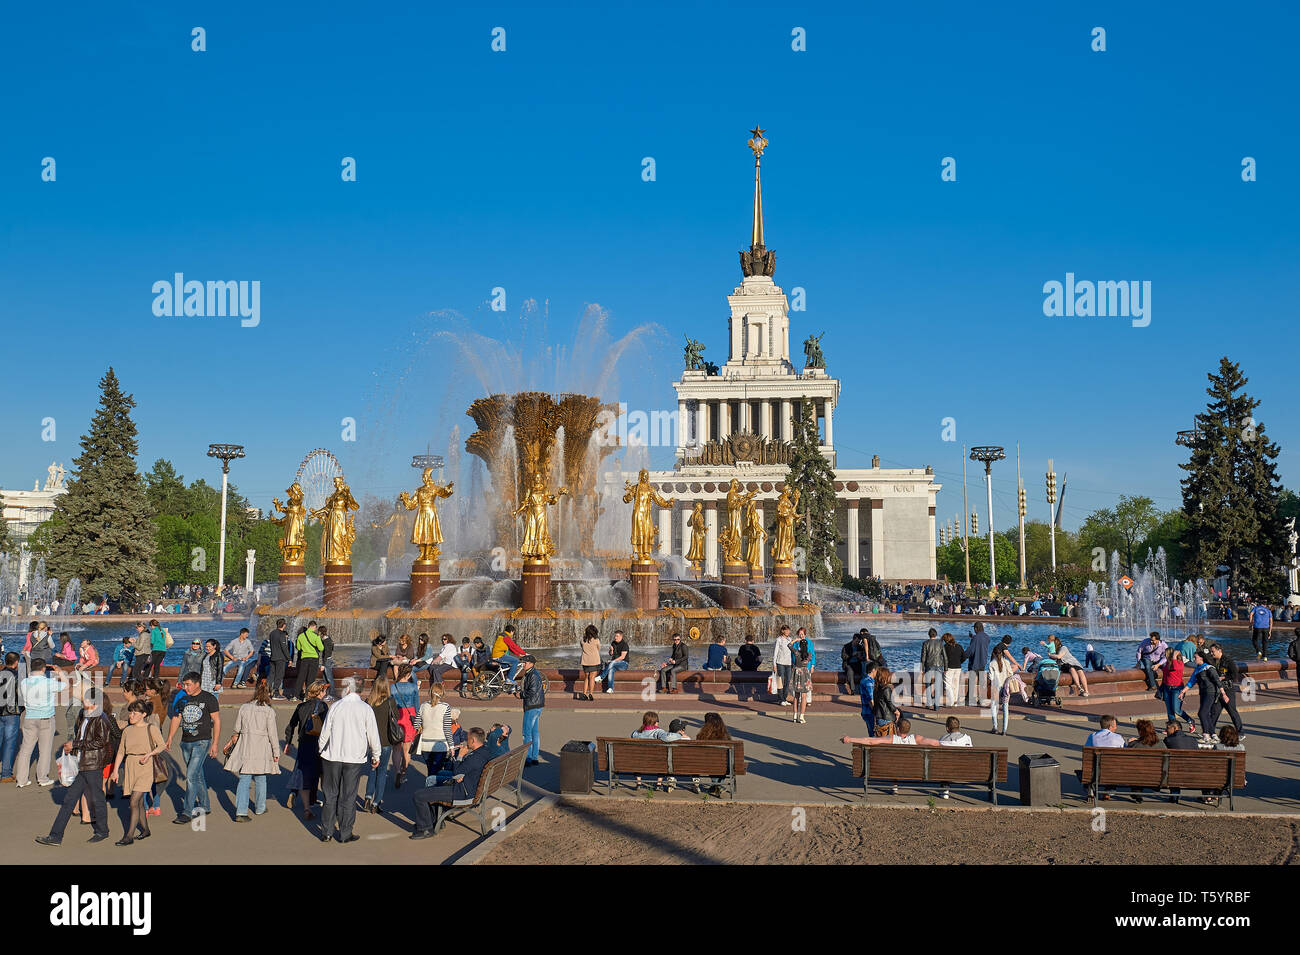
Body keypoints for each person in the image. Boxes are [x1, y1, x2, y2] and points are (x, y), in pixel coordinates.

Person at [34, 688, 119, 847]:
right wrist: (72, 748)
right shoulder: (85, 715)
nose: (83, 702)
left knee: (97, 798)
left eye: (86, 700)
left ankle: (102, 831)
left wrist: (76, 744)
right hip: (84, 764)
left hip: (93, 765)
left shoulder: (101, 718)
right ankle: (56, 836)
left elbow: (100, 742)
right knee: (69, 800)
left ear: (94, 703)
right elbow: (82, 738)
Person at [317, 676, 381, 844]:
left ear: (348, 689)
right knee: (349, 795)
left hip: (332, 756)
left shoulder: (336, 706)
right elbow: (373, 735)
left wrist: (320, 749)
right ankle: (345, 833)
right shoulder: (365, 709)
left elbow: (325, 732)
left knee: (330, 794)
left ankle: (327, 832)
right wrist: (376, 755)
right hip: (354, 757)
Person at [409, 726, 493, 839]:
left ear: (473, 740)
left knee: (419, 795)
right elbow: (466, 771)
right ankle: (434, 820)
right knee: (435, 778)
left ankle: (426, 829)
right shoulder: (485, 751)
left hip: (462, 792)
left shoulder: (474, 758)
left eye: (467, 739)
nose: (465, 741)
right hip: (470, 786)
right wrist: (462, 775)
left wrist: (460, 756)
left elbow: (456, 773)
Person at [165, 672, 221, 823]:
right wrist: (170, 737)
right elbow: (177, 718)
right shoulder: (182, 698)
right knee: (197, 775)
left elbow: (216, 721)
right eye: (184, 684)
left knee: (190, 776)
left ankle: (187, 812)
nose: (185, 687)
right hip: (186, 742)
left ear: (197, 683)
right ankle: (205, 805)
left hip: (202, 742)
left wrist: (215, 743)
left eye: (188, 684)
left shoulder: (209, 698)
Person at [109, 699, 165, 845]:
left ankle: (129, 836)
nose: (131, 715)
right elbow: (121, 752)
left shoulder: (151, 728)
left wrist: (150, 754)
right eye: (131, 712)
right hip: (130, 766)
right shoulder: (127, 730)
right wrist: (115, 771)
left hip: (145, 766)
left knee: (133, 801)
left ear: (143, 714)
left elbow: (162, 746)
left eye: (135, 712)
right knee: (139, 802)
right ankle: (146, 830)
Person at [225, 680, 279, 821]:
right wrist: (276, 752)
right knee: (261, 778)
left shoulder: (244, 707)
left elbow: (237, 728)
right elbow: (273, 734)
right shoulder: (269, 711)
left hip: (246, 745)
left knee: (244, 778)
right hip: (262, 747)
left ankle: (241, 811)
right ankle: (260, 807)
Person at [15, 658, 64, 788]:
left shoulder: (24, 682)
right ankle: (42, 778)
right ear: (43, 669)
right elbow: (66, 685)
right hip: (46, 719)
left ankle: (21, 780)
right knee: (45, 750)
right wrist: (59, 672)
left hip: (29, 718)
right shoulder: (49, 682)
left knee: (26, 750)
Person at [284, 681, 329, 818]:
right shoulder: (322, 706)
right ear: (320, 692)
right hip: (318, 743)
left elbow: (291, 725)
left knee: (302, 770)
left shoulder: (300, 706)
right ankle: (315, 800)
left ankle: (305, 806)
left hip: (304, 742)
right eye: (324, 691)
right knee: (319, 773)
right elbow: (327, 726)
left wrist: (288, 742)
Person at [363, 676, 399, 814]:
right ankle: (376, 803)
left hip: (372, 743)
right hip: (385, 742)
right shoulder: (390, 701)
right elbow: (396, 716)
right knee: (382, 772)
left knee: (372, 770)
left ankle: (367, 796)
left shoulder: (369, 702)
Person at [390, 664, 420, 789]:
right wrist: (419, 721)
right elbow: (417, 705)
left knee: (396, 748)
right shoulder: (413, 687)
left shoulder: (393, 687)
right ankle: (403, 774)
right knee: (407, 750)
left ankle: (396, 771)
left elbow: (390, 703)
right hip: (410, 716)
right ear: (408, 675)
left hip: (397, 716)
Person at [1083, 714, 1125, 801]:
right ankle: (1108, 791)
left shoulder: (1092, 736)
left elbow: (1087, 752)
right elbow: (1124, 753)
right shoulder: (1118, 737)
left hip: (1096, 771)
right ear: (1110, 727)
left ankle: (1091, 789)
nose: (1116, 728)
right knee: (1114, 765)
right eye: (1115, 726)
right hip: (1113, 772)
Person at [415, 684, 455, 776]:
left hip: (425, 745)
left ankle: (429, 786)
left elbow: (416, 724)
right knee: (437, 772)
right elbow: (447, 729)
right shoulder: (445, 707)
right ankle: (432, 788)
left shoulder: (423, 706)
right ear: (442, 693)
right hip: (440, 745)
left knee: (430, 770)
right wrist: (451, 746)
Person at [1206, 644, 1244, 736]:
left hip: (1228, 690)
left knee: (1232, 711)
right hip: (1218, 691)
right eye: (1210, 651)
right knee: (1214, 713)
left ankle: (1240, 732)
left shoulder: (1228, 661)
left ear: (1219, 651)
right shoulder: (1212, 661)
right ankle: (1209, 733)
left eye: (1213, 651)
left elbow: (1235, 675)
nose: (1211, 653)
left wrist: (1223, 678)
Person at [516, 654, 545, 766]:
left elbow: (532, 691)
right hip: (537, 705)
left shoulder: (532, 675)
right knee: (534, 732)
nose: (523, 664)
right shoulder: (532, 673)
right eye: (523, 662)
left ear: (532, 664)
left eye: (525, 663)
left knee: (526, 733)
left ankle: (528, 758)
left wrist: (521, 694)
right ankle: (534, 757)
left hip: (532, 706)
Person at [988, 643, 1022, 736]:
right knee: (1005, 708)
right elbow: (1011, 673)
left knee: (994, 707)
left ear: (994, 654)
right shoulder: (1006, 662)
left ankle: (995, 727)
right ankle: (1004, 730)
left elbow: (990, 677)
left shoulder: (992, 663)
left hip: (995, 687)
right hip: (1005, 687)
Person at [0, 653, 20, 782]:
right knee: (9, 743)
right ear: (16, 662)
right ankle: (6, 774)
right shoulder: (17, 676)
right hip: (12, 712)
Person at [1155, 648, 1187, 726]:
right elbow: (1165, 676)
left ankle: (1190, 720)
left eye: (1165, 653)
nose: (1164, 655)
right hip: (1167, 688)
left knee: (1176, 710)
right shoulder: (1167, 663)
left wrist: (1174, 658)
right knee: (1169, 710)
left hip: (1177, 689)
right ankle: (1172, 726)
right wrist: (1161, 688)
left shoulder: (1179, 663)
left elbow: (1175, 668)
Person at [963, 623, 991, 705]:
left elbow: (971, 650)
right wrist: (973, 637)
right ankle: (982, 698)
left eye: (974, 628)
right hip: (983, 662)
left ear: (976, 628)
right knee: (982, 681)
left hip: (974, 662)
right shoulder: (987, 637)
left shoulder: (975, 638)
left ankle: (969, 699)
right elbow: (980, 643)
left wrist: (963, 656)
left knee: (971, 681)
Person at [295, 622, 324, 700]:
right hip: (314, 659)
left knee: (301, 677)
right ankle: (306, 696)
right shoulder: (316, 636)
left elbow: (298, 648)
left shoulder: (300, 636)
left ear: (308, 626)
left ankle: (295, 696)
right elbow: (321, 648)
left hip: (304, 658)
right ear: (314, 627)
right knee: (311, 679)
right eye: (315, 628)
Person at [790, 629, 812, 724]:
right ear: (806, 646)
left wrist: (795, 640)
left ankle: (795, 715)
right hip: (805, 674)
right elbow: (810, 659)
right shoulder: (809, 655)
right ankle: (802, 716)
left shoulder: (796, 653)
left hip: (797, 673)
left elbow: (789, 645)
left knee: (796, 696)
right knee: (804, 696)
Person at [921, 628, 945, 711]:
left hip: (928, 666)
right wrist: (946, 667)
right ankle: (936, 706)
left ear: (929, 635)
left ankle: (929, 703)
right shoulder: (940, 643)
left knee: (928, 685)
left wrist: (921, 668)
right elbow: (944, 656)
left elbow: (923, 657)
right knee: (938, 686)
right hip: (939, 666)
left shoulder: (925, 643)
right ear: (936, 634)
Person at [268, 618, 292, 700]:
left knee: (271, 675)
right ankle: (276, 693)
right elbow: (284, 648)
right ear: (284, 625)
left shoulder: (272, 633)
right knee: (279, 676)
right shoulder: (282, 634)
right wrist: (289, 659)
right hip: (280, 658)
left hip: (273, 657)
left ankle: (266, 691)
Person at [577, 625, 602, 701]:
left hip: (585, 661)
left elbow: (582, 646)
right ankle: (590, 694)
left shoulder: (582, 640)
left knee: (586, 678)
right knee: (592, 678)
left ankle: (584, 694)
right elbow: (599, 648)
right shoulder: (596, 640)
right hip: (594, 661)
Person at [873, 666, 901, 733]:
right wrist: (896, 711)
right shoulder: (886, 689)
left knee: (880, 738)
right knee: (889, 739)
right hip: (887, 717)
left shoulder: (876, 688)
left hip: (878, 717)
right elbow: (889, 702)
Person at [941, 633, 964, 706]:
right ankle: (955, 701)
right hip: (958, 667)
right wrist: (959, 662)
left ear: (945, 640)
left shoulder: (945, 647)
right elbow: (964, 656)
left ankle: (951, 701)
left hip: (949, 668)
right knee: (955, 685)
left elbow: (943, 658)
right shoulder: (959, 646)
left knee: (947, 685)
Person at [773, 625, 793, 706]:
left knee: (787, 681)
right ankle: (780, 699)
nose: (788, 632)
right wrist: (774, 664)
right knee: (780, 681)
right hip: (780, 663)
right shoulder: (779, 640)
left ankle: (785, 698)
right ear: (782, 631)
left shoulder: (790, 639)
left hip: (789, 663)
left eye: (789, 630)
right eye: (787, 630)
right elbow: (775, 652)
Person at [857, 661, 877, 735]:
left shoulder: (864, 680)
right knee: (873, 734)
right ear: (873, 670)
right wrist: (875, 712)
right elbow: (871, 699)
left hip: (866, 711)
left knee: (871, 733)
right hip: (870, 711)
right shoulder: (868, 682)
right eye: (877, 671)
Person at [317, 625, 336, 692]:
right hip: (328, 660)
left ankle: (332, 693)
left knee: (329, 678)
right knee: (325, 679)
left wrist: (323, 664)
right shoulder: (328, 639)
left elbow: (327, 654)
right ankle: (327, 693)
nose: (318, 633)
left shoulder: (326, 641)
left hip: (327, 661)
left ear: (320, 632)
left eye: (318, 632)